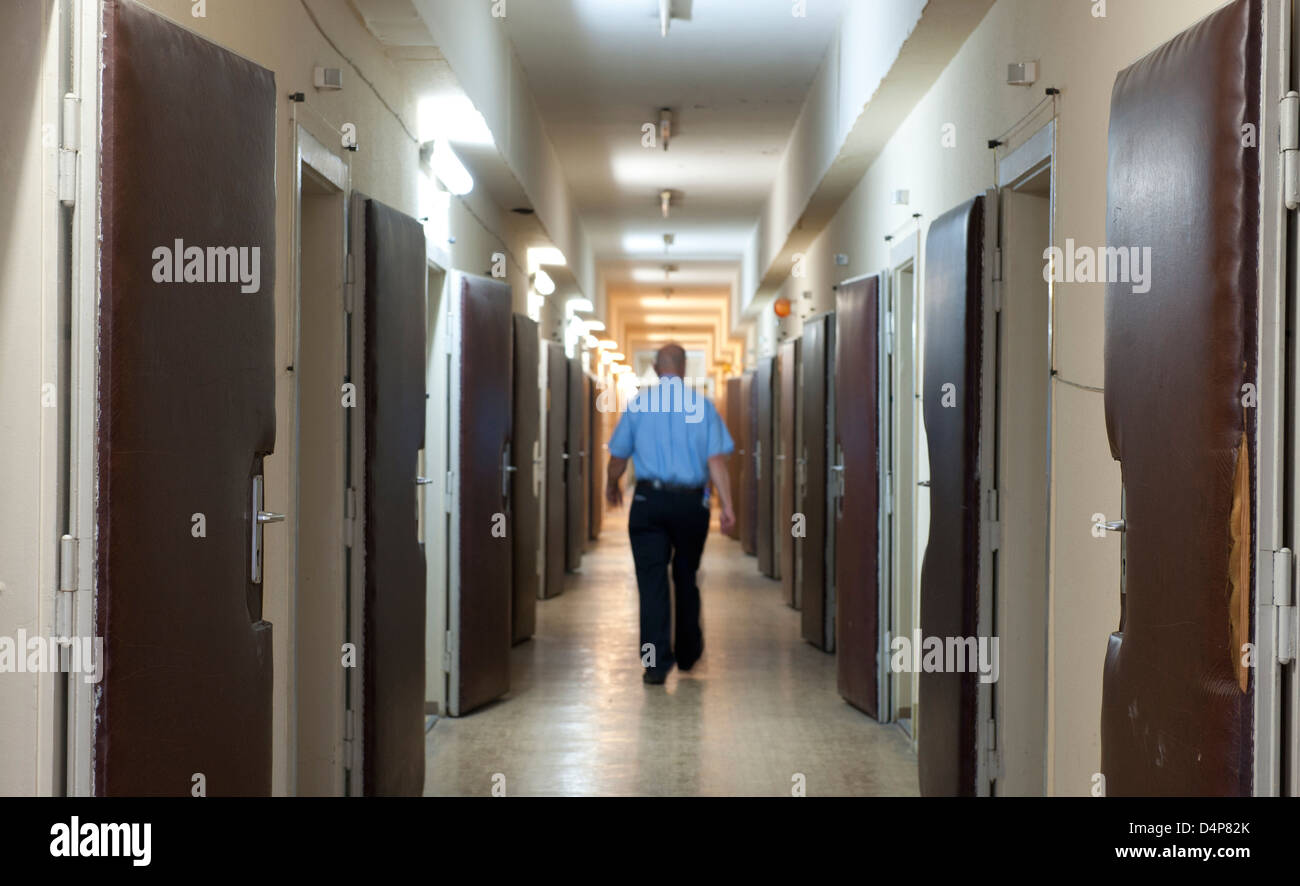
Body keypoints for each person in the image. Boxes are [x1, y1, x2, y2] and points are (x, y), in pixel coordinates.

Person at [605, 344, 736, 685]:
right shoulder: (702, 407)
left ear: (653, 366)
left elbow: (618, 455)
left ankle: (655, 664)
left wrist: (611, 484)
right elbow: (716, 461)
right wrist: (728, 506)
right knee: (686, 576)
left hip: (649, 502)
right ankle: (689, 653)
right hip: (693, 504)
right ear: (684, 367)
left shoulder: (639, 405)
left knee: (651, 584)